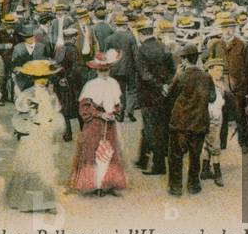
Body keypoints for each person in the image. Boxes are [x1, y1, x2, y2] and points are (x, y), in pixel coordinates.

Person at [6, 60, 64, 213]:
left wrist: (52, 123)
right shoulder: (27, 94)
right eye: (39, 78)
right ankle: (27, 202)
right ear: (33, 78)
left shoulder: (51, 93)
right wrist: (31, 111)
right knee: (31, 165)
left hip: (46, 132)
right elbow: (20, 112)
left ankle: (46, 202)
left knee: (46, 166)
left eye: (45, 77)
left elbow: (56, 110)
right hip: (32, 133)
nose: (43, 80)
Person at [69, 50, 127, 197]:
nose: (105, 73)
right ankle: (95, 185)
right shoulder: (91, 85)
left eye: (107, 70)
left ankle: (108, 183)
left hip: (110, 124)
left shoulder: (113, 83)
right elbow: (84, 108)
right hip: (94, 125)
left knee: (109, 152)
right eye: (102, 70)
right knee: (93, 152)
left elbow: (118, 104)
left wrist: (114, 112)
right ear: (96, 70)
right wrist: (100, 114)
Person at [167, 43, 215, 196]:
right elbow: (212, 98)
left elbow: (169, 95)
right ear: (196, 58)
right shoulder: (206, 77)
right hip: (199, 123)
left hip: (180, 123)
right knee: (195, 156)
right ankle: (193, 186)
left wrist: (176, 75)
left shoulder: (181, 76)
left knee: (176, 156)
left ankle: (176, 187)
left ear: (185, 60)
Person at [207, 15, 248, 154]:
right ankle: (221, 143)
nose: (228, 30)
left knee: (240, 116)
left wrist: (246, 87)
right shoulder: (216, 45)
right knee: (221, 114)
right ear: (221, 30)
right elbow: (209, 64)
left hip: (237, 86)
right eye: (225, 28)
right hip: (220, 85)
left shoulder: (242, 45)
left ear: (235, 29)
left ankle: (243, 143)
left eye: (231, 28)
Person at [135, 21, 175, 175]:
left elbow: (144, 75)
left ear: (141, 34)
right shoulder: (163, 47)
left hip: (148, 95)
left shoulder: (141, 50)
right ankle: (142, 159)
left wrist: (159, 85)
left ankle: (159, 165)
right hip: (164, 95)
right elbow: (172, 70)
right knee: (158, 127)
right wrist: (166, 85)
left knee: (151, 129)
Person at [203, 53, 230, 187]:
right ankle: (218, 174)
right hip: (212, 117)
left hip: (218, 116)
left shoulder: (220, 84)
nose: (220, 73)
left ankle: (204, 170)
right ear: (210, 70)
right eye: (217, 70)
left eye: (221, 70)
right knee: (215, 145)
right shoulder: (209, 84)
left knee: (208, 144)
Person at [53, 27, 84, 142]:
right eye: (75, 37)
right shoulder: (73, 50)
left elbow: (55, 67)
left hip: (61, 84)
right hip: (73, 85)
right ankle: (83, 131)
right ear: (73, 38)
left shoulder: (59, 49)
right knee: (78, 107)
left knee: (64, 109)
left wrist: (60, 79)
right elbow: (77, 69)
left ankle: (68, 133)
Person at [0, 14, 17, 104]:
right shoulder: (0, 33)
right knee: (3, 78)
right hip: (3, 59)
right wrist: (4, 46)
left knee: (14, 78)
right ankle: (3, 97)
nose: (9, 25)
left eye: (11, 24)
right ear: (5, 24)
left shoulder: (17, 33)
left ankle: (13, 97)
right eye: (8, 24)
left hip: (14, 59)